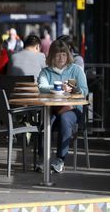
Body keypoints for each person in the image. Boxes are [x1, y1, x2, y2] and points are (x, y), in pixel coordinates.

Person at [37, 40, 88, 173]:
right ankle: (43, 159)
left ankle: (60, 159)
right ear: (51, 56)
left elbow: (84, 90)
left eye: (64, 54)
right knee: (46, 121)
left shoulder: (76, 70)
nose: (61, 58)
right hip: (52, 109)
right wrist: (57, 87)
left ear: (68, 55)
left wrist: (75, 90)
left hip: (72, 109)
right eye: (58, 55)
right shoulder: (46, 72)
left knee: (65, 119)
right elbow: (41, 87)